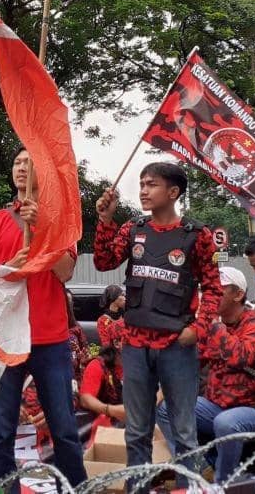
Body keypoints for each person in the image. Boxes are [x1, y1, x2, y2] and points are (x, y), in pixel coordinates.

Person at [94, 162, 222, 490]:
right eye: (141, 184)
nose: (143, 191)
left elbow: (213, 287)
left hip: (177, 347)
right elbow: (104, 261)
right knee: (137, 433)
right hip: (135, 346)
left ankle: (186, 488)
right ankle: (138, 488)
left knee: (183, 433)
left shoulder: (196, 235)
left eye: (151, 184)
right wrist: (105, 221)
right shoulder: (133, 229)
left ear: (173, 192)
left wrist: (199, 328)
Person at [0, 147, 84, 489]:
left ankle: (76, 487)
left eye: (29, 163)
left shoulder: (60, 221)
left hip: (50, 338)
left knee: (64, 428)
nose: (22, 168)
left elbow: (65, 271)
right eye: (17, 162)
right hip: (4, 338)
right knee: (1, 428)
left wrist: (43, 230)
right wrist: (11, 270)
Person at [195, 267, 255, 484]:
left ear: (238, 294)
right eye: (208, 291)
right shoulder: (215, 327)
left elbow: (239, 357)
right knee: (167, 407)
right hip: (219, 406)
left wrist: (215, 326)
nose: (210, 296)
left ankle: (224, 483)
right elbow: (195, 360)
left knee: (226, 422)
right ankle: (202, 467)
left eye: (217, 291)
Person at [78, 343, 125, 433]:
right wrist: (111, 410)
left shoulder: (137, 368)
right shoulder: (97, 365)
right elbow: (85, 399)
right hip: (102, 428)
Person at [65, 291, 91, 385]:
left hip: (76, 380)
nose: (67, 305)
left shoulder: (76, 329)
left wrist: (83, 359)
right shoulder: (49, 331)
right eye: (64, 301)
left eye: (69, 302)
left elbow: (86, 354)